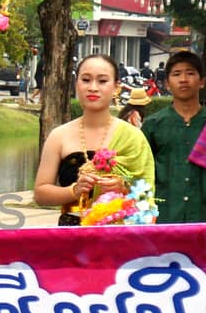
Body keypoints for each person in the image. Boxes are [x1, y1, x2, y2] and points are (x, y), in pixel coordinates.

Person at [33, 54, 154, 224]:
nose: (93, 87)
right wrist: (73, 191)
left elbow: (146, 194)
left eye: (103, 81)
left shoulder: (132, 137)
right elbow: (40, 194)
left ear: (116, 87)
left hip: (119, 239)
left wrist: (124, 189)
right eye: (86, 80)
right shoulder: (59, 136)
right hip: (72, 236)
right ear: (77, 85)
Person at [141, 51, 206, 223]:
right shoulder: (153, 124)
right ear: (167, 84)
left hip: (203, 216)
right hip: (164, 216)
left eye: (190, 73)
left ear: (202, 81)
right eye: (177, 74)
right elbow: (142, 175)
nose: (184, 79)